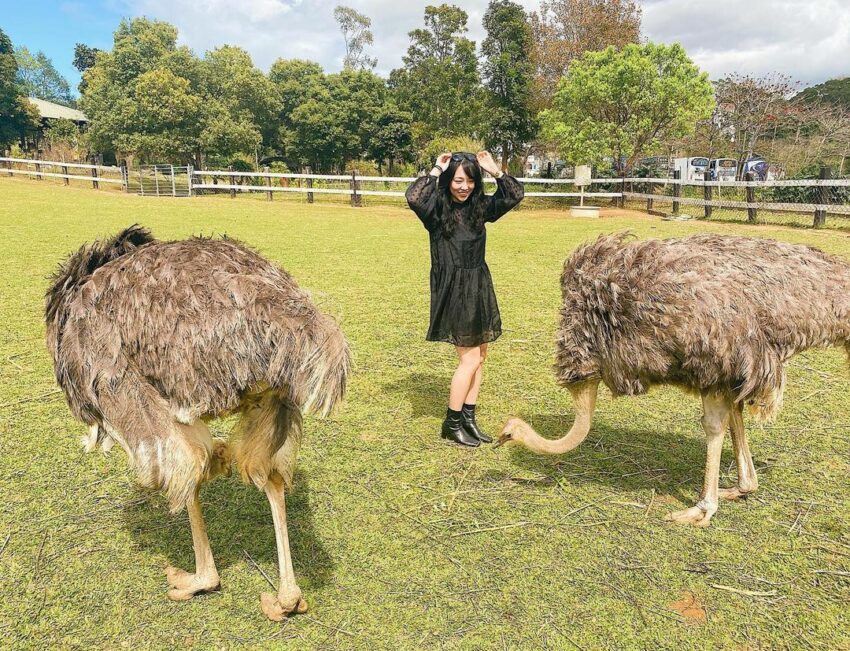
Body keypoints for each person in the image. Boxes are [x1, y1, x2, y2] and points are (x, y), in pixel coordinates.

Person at [405, 151, 524, 447]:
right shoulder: (436, 210)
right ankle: (452, 423)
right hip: (454, 289)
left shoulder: (479, 207)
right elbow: (414, 196)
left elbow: (514, 194)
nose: (464, 186)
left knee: (480, 357)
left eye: (470, 180)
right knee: (468, 359)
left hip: (478, 284)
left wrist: (494, 170)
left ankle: (468, 420)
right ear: (448, 181)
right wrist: (436, 168)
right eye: (458, 180)